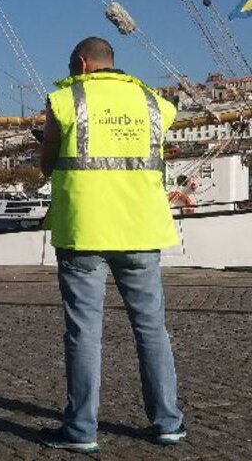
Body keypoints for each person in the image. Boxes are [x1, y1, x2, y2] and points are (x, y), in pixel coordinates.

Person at [39, 37, 185, 454]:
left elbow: (47, 164)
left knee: (84, 331)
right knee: (151, 328)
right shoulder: (155, 103)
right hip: (141, 229)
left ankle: (81, 430)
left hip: (84, 229)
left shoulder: (64, 101)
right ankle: (168, 422)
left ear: (83, 63)